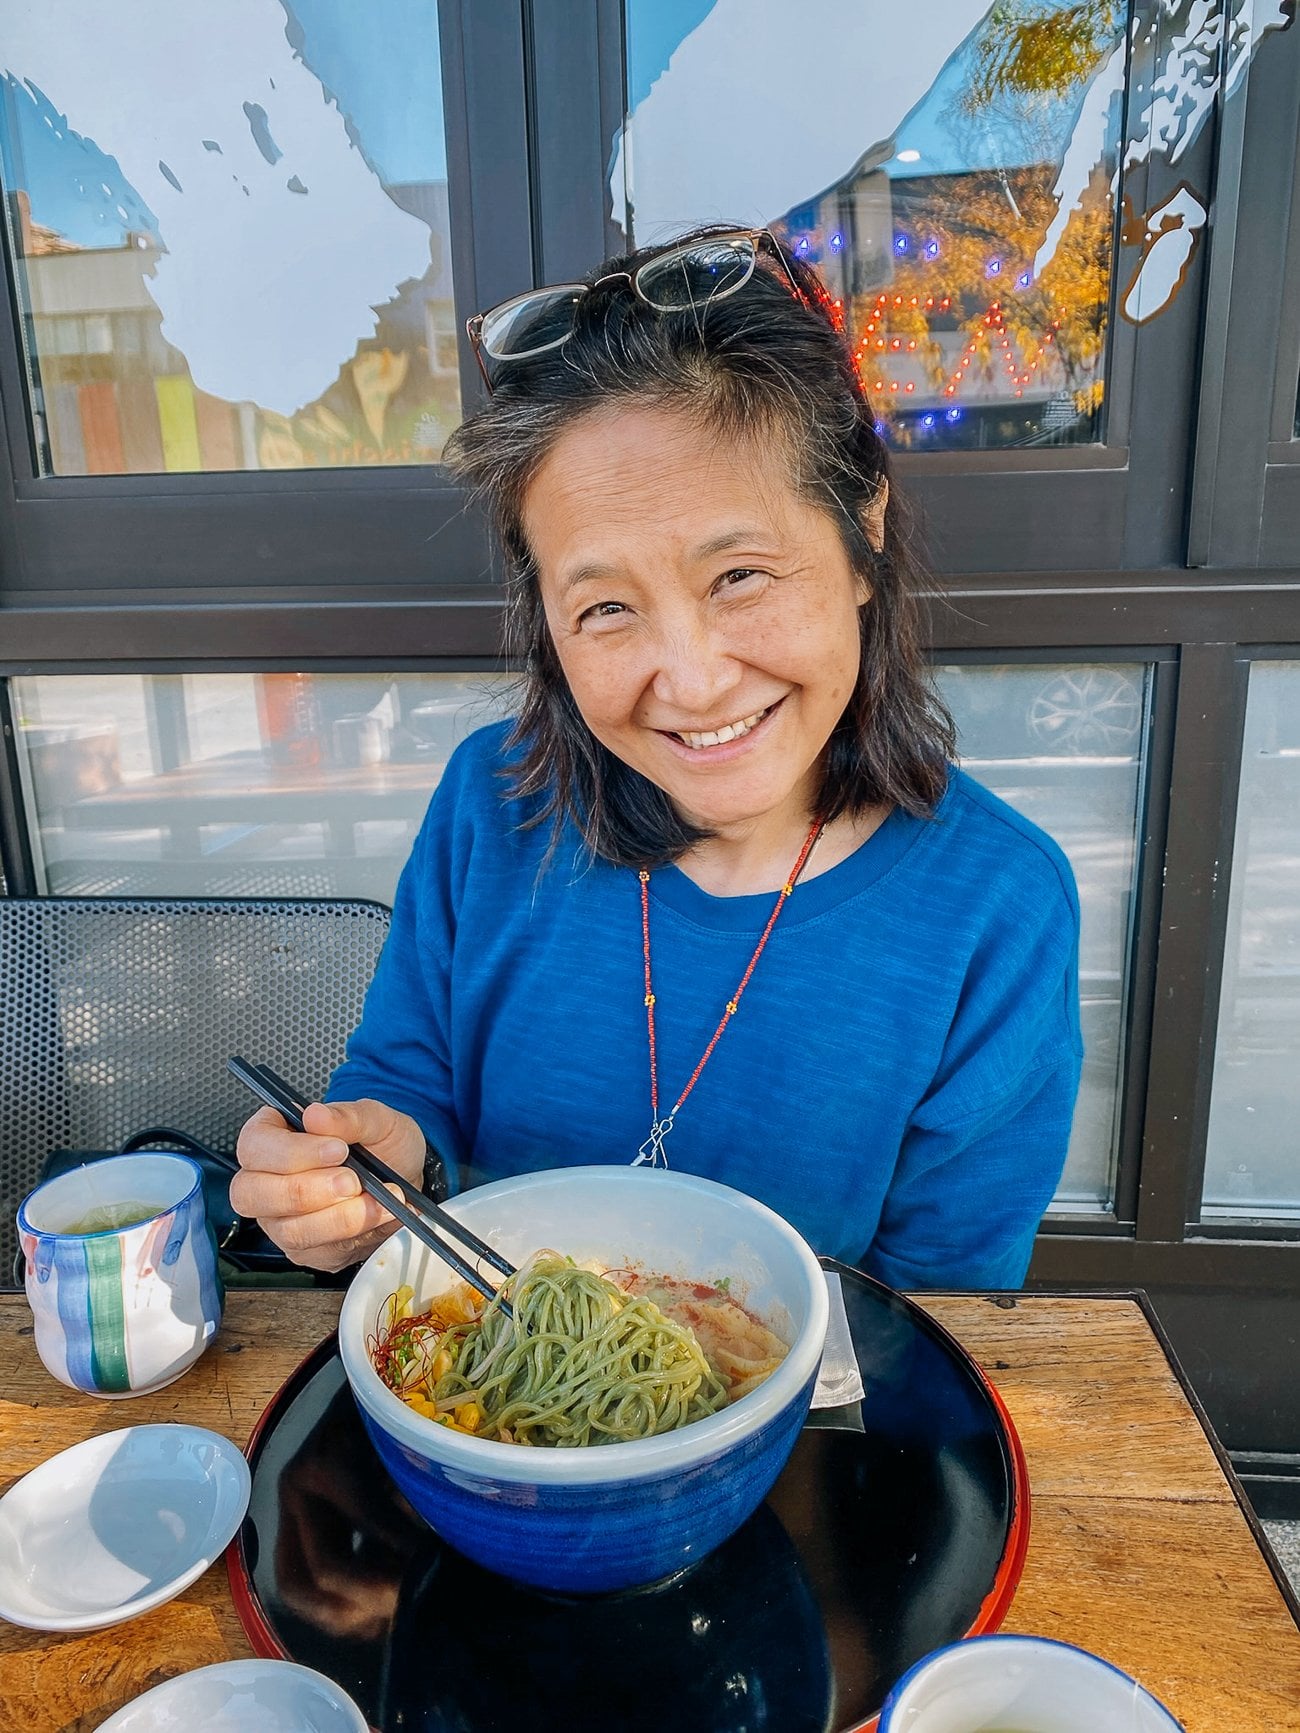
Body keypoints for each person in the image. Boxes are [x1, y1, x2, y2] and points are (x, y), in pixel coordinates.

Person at [232, 227, 1082, 1289]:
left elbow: (945, 1298)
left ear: (861, 532)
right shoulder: (492, 804)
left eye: (739, 576)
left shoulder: (997, 903)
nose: (691, 680)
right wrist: (372, 1176)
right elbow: (408, 1086)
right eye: (605, 607)